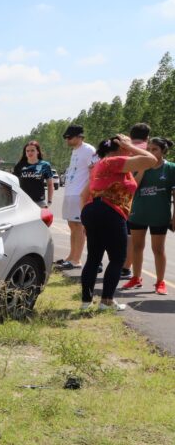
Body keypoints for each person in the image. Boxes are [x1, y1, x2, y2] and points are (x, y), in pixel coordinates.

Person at [78, 134, 159, 310]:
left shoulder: (101, 165)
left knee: (93, 258)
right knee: (117, 259)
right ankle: (106, 301)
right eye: (127, 144)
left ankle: (86, 302)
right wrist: (129, 146)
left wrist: (86, 221)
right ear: (121, 147)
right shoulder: (114, 161)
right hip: (110, 212)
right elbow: (152, 160)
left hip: (93, 211)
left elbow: (84, 195)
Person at [122, 137, 175, 295]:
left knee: (158, 249)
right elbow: (132, 188)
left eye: (155, 149)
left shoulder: (170, 168)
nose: (151, 152)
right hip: (138, 213)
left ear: (163, 151)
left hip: (160, 214)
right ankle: (136, 277)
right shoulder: (138, 165)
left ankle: (160, 282)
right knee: (137, 247)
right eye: (149, 149)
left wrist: (174, 217)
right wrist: (143, 169)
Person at [57, 125, 98, 270]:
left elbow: (94, 172)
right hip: (70, 192)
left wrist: (86, 192)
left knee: (79, 226)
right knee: (72, 226)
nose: (67, 140)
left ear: (79, 136)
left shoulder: (89, 150)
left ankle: (76, 259)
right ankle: (71, 256)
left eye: (69, 137)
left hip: (79, 193)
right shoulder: (75, 151)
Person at [120, 123, 152, 279]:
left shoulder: (126, 148)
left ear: (130, 135)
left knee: (126, 234)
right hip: (147, 195)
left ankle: (123, 266)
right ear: (148, 136)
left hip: (125, 195)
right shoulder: (150, 149)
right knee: (134, 237)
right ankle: (127, 267)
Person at [12, 140, 54, 207]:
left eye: (32, 150)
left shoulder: (45, 165)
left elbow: (50, 184)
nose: (29, 152)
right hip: (23, 202)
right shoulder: (19, 165)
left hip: (39, 203)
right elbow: (13, 183)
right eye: (27, 151)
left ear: (37, 151)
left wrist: (49, 201)